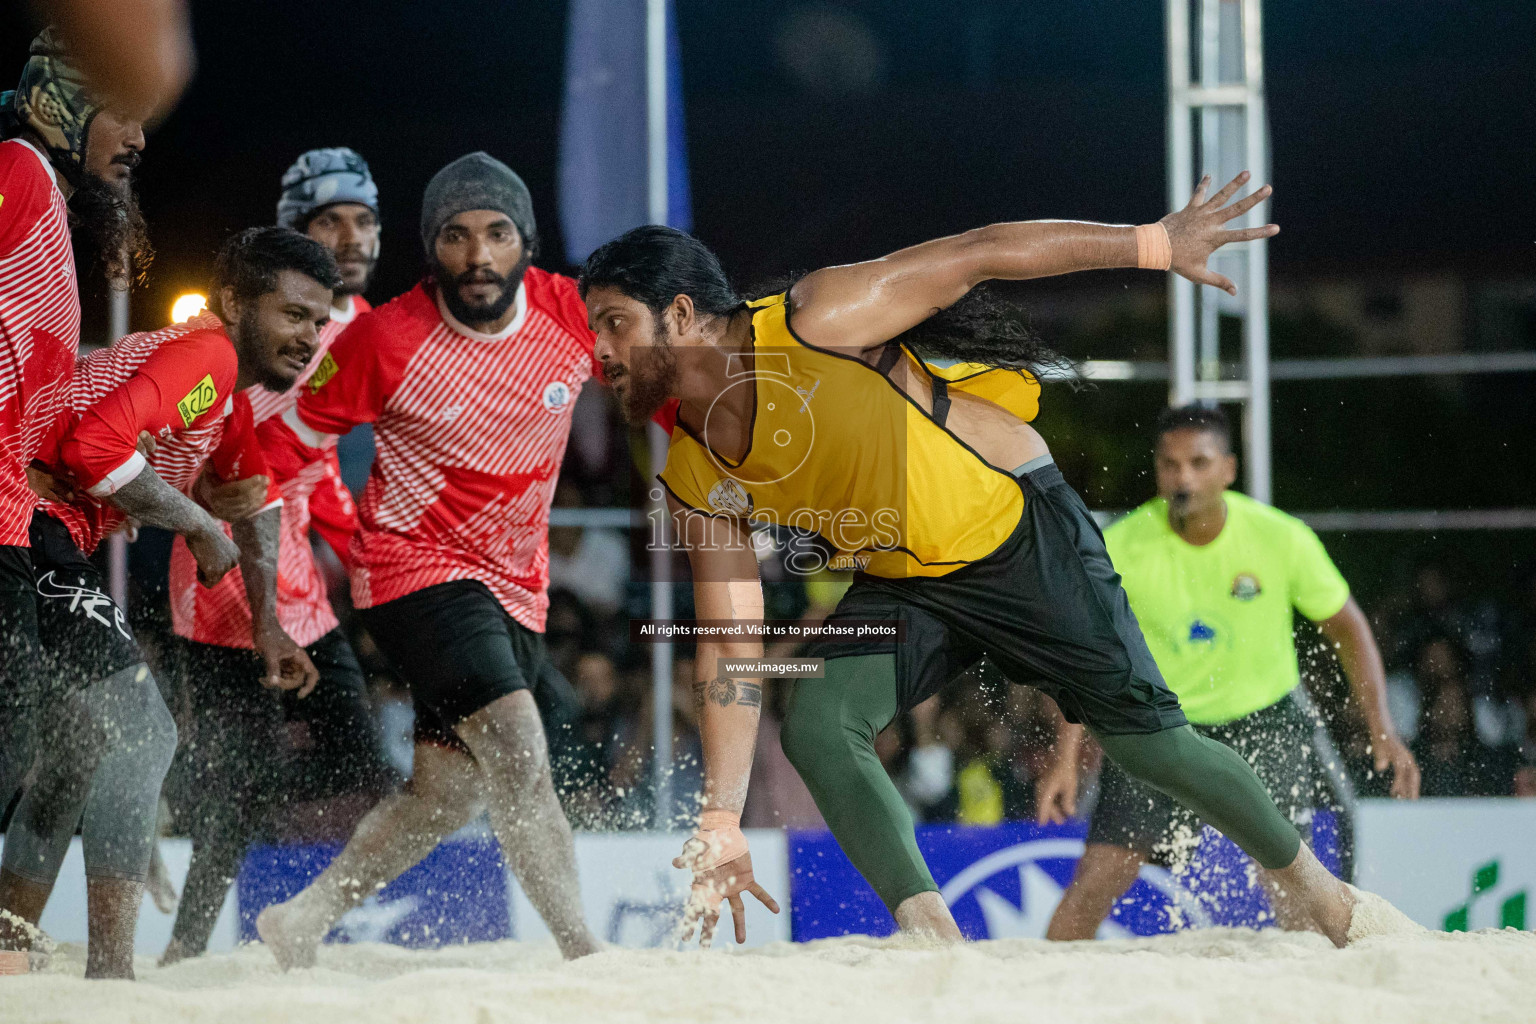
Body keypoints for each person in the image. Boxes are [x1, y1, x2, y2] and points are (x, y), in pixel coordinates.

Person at [579, 171, 1415, 949]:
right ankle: (931, 935)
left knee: (1151, 749)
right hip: (910, 584)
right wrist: (721, 818)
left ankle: (1313, 888)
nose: (601, 352)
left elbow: (980, 252)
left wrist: (1155, 244)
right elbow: (729, 646)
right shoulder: (692, 472)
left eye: (614, 324)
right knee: (819, 723)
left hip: (1016, 531)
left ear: (682, 314)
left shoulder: (814, 318)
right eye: (593, 332)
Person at [254, 152, 615, 967]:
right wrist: (208, 512)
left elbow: (662, 378)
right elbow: (288, 443)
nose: (477, 256)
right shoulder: (384, 336)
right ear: (431, 247)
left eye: (496, 234)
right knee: (520, 746)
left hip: (517, 587)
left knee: (444, 796)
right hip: (411, 569)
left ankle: (301, 919)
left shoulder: (571, 313)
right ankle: (584, 954)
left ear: (525, 241)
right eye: (456, 236)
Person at [0, 226, 332, 978]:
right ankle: (113, 976)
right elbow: (92, 448)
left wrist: (269, 624)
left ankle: (9, 948)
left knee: (73, 753)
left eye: (319, 321)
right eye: (292, 315)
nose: (309, 336)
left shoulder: (227, 394)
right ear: (233, 303)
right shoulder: (207, 354)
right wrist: (193, 520)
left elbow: (259, 506)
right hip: (35, 523)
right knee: (141, 735)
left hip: (42, 529)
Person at [1037, 404, 1420, 940]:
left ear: (1229, 469)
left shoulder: (1279, 537)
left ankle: (1323, 995)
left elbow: (1350, 629)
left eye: (1198, 462)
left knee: (1292, 884)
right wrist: (1065, 760)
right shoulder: (1122, 545)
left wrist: (1381, 725)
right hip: (1161, 729)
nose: (1182, 477)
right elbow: (1085, 657)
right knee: (1099, 876)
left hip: (1265, 722)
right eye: (1170, 464)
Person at [156, 150, 395, 965]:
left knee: (360, 764)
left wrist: (363, 549)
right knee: (235, 791)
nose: (350, 236)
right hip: (224, 569)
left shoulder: (363, 326)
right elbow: (192, 439)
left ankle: (195, 792)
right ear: (295, 237)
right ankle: (186, 948)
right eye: (328, 222)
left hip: (302, 587)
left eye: (363, 220)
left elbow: (321, 460)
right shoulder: (231, 335)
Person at [0, 29, 152, 977]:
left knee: (40, 728)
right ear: (60, 102)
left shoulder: (48, 202)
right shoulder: (16, 169)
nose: (140, 137)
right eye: (123, 113)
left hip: (14, 510)